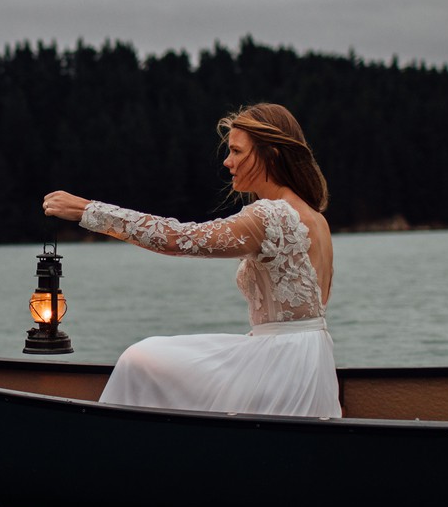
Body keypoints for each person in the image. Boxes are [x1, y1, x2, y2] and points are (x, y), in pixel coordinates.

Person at [42, 103, 341, 418]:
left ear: (272, 155)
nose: (228, 162)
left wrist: (89, 211)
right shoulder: (315, 217)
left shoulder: (272, 215)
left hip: (281, 363)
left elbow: (178, 239)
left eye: (237, 152)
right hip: (312, 359)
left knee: (139, 357)